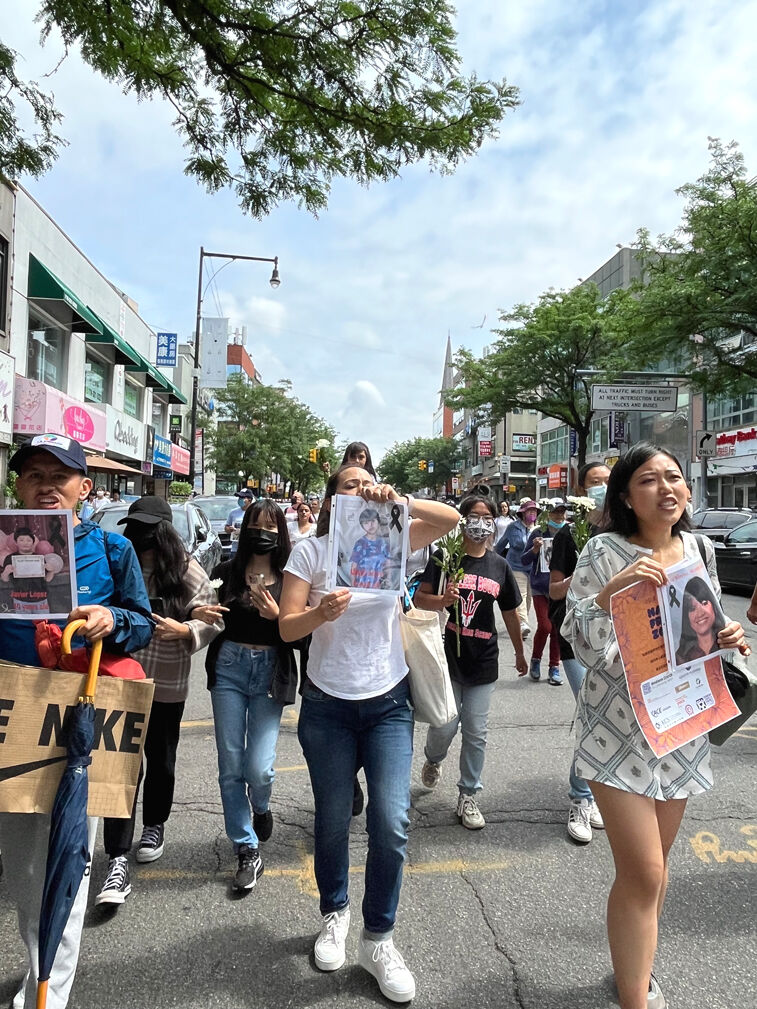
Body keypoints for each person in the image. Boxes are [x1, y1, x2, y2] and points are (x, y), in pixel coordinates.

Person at [563, 443, 748, 1009]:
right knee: (643, 871)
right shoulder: (602, 550)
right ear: (625, 496)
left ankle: (636, 969)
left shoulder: (698, 547)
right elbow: (581, 640)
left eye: (674, 477)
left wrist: (728, 637)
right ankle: (635, 998)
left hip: (682, 726)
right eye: (648, 479)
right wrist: (611, 593)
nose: (666, 488)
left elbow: (705, 624)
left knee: (655, 872)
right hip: (616, 733)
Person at [279, 466, 458, 1003]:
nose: (359, 490)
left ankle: (378, 937)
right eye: (348, 485)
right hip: (327, 705)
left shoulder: (395, 538)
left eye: (366, 482)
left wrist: (401, 501)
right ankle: (334, 914)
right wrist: (319, 612)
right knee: (333, 819)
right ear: (331, 499)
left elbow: (450, 519)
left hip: (388, 702)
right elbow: (286, 626)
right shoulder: (310, 553)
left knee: (391, 820)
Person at [0, 433, 153, 1009]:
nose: (45, 486)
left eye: (58, 476)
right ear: (18, 485)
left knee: (69, 855)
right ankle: (37, 964)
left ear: (84, 488)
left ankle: (48, 990)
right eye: (33, 475)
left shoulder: (112, 549)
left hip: (79, 719)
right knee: (23, 866)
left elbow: (142, 621)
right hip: (13, 718)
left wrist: (111, 619)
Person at [94, 497, 223, 905]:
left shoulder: (185, 570)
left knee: (161, 759)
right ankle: (117, 852)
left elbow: (213, 618)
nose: (141, 537)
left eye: (149, 529)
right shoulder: (118, 562)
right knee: (123, 764)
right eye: (135, 528)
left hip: (167, 681)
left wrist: (185, 630)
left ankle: (155, 824)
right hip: (122, 678)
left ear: (164, 532)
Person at [416, 494, 527, 829]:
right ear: (462, 521)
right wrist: (442, 599)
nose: (481, 524)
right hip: (449, 657)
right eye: (474, 517)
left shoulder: (499, 566)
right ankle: (433, 758)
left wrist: (520, 652)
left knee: (476, 732)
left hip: (484, 660)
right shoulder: (445, 558)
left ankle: (468, 794)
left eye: (487, 517)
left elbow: (510, 612)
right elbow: (419, 598)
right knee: (445, 725)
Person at [207, 499, 299, 891]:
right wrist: (200, 616)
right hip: (229, 668)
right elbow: (207, 620)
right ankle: (246, 847)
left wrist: (278, 617)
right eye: (256, 525)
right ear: (245, 529)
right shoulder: (225, 572)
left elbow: (302, 636)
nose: (263, 533)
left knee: (259, 767)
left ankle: (260, 806)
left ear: (281, 532)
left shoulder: (291, 578)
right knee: (231, 765)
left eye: (271, 527)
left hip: (269, 673)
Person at [549, 462, 610, 843]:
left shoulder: (624, 532)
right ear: (582, 490)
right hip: (574, 638)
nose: (602, 487)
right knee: (591, 713)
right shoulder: (568, 535)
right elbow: (554, 590)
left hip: (615, 641)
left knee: (604, 717)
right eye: (595, 482)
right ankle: (581, 798)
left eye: (607, 481)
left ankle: (596, 789)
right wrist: (583, 577)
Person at [521, 500, 566, 685]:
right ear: (549, 515)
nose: (559, 516)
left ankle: (554, 667)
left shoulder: (568, 533)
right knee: (545, 626)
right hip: (540, 588)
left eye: (562, 512)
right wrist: (535, 549)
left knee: (556, 629)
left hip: (560, 588)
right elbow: (524, 560)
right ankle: (536, 659)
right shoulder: (538, 533)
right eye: (556, 513)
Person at [495, 498, 537, 639]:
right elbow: (501, 545)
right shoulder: (513, 527)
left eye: (534, 511)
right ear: (523, 513)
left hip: (533, 568)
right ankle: (524, 623)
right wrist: (493, 559)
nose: (532, 514)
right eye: (530, 511)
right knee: (521, 595)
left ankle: (521, 622)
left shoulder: (538, 530)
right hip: (516, 566)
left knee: (529, 598)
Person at [0, 525, 56, 614]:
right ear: (16, 542)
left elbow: (47, 579)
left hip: (41, 600)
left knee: (42, 622)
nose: (25, 543)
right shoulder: (10, 558)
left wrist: (51, 571)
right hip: (20, 600)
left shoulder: (40, 558)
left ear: (33, 542)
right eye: (21, 540)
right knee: (23, 622)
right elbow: (5, 579)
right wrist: (6, 572)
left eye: (28, 540)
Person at [675, 576, 725, 664]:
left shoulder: (728, 639)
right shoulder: (681, 656)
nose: (700, 613)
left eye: (704, 603)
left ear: (714, 605)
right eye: (692, 608)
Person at [349, 506, 390, 589]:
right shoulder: (360, 543)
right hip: (361, 585)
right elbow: (354, 566)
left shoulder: (384, 543)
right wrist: (352, 587)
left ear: (378, 522)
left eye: (373, 521)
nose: (370, 525)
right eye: (366, 523)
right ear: (362, 525)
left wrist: (388, 580)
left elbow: (388, 564)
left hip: (378, 587)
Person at [225, 488, 254, 555]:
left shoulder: (255, 513)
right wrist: (229, 529)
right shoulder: (233, 512)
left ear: (249, 500)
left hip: (250, 549)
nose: (240, 499)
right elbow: (227, 528)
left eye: (242, 498)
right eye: (239, 498)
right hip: (235, 550)